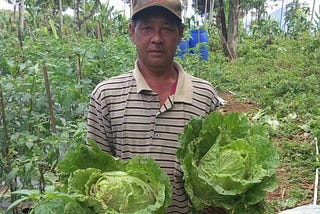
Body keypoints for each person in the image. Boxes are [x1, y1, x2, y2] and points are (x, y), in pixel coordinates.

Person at [87, 0, 221, 213]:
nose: (157, 39)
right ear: (132, 32)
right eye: (147, 28)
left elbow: (214, 168)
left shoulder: (205, 95)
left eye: (166, 29)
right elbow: (93, 171)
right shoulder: (106, 95)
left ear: (180, 34)